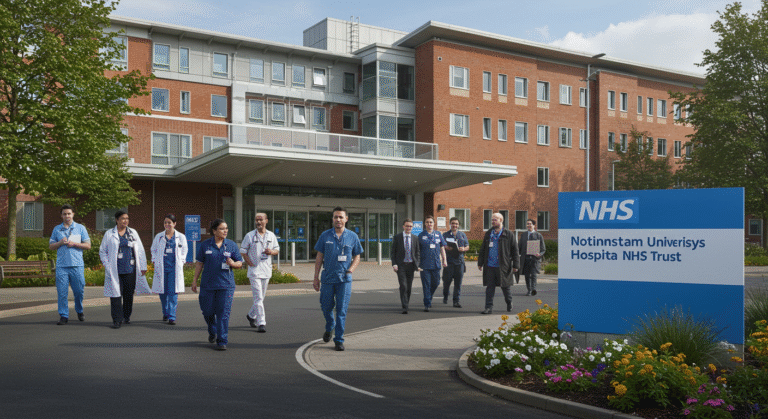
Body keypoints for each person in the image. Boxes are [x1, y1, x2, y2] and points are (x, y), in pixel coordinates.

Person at [313, 207, 363, 351]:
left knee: (341, 310)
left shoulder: (352, 236)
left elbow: (357, 256)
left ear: (346, 219)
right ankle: (330, 325)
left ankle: (339, 340)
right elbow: (319, 257)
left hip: (344, 279)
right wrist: (316, 277)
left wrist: (350, 270)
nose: (338, 220)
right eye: (335, 217)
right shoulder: (325, 236)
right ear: (332, 219)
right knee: (325, 306)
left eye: (341, 217)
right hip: (328, 278)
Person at [192, 219, 243, 350]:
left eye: (226, 228)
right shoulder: (205, 245)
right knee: (207, 311)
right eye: (222, 228)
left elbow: (240, 263)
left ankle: (222, 340)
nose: (225, 231)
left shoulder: (231, 245)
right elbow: (199, 263)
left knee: (223, 314)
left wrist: (233, 264)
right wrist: (194, 280)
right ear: (214, 231)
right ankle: (212, 329)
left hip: (226, 285)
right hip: (208, 285)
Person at [100, 210, 150, 328]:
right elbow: (102, 251)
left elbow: (140, 250)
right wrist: (107, 265)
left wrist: (143, 266)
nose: (125, 220)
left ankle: (126, 316)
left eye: (127, 218)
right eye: (123, 218)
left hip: (130, 269)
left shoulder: (133, 232)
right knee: (115, 295)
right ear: (116, 220)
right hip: (115, 270)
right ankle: (117, 320)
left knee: (128, 295)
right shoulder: (109, 233)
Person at [49, 204, 91, 325]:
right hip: (62, 266)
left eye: (69, 213)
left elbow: (88, 245)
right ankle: (64, 315)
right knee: (62, 292)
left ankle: (79, 310)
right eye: (64, 214)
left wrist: (75, 244)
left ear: (73, 214)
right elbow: (51, 246)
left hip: (77, 265)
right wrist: (60, 243)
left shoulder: (80, 228)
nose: (67, 216)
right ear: (61, 215)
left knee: (79, 291)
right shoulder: (57, 229)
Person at [240, 212, 279, 333]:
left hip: (266, 270)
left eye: (261, 219)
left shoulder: (271, 235)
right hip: (254, 271)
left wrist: (271, 252)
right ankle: (261, 322)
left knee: (261, 297)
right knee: (258, 297)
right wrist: (249, 262)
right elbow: (243, 251)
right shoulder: (250, 236)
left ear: (266, 221)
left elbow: (277, 250)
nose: (258, 222)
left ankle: (251, 315)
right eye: (257, 220)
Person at [150, 214, 188, 325]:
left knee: (173, 293)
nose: (167, 224)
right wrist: (154, 260)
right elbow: (153, 249)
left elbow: (184, 250)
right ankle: (165, 312)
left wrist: (182, 261)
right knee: (162, 293)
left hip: (174, 269)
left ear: (174, 224)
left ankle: (172, 316)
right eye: (165, 222)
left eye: (169, 223)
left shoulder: (181, 237)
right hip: (162, 268)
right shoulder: (159, 236)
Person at [477, 212, 519, 315]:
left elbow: (515, 250)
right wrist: (480, 262)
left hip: (503, 266)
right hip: (490, 266)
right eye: (492, 219)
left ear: (501, 220)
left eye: (495, 219)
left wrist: (516, 265)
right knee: (489, 288)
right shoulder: (489, 233)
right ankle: (488, 307)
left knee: (505, 287)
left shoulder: (508, 234)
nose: (493, 221)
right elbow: (483, 249)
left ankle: (509, 302)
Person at [390, 218, 421, 314]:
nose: (409, 228)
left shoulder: (415, 238)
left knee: (409, 286)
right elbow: (393, 252)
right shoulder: (397, 237)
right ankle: (405, 306)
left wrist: (417, 264)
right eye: (407, 226)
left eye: (410, 226)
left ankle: (406, 301)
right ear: (403, 226)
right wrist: (394, 264)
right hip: (401, 265)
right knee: (403, 285)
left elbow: (417, 252)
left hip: (411, 265)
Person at [417, 215, 447, 312]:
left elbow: (442, 248)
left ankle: (428, 296)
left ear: (434, 223)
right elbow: (417, 251)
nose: (429, 224)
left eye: (431, 222)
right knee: (426, 285)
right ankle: (427, 303)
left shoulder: (438, 234)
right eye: (427, 222)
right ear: (425, 224)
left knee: (436, 282)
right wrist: (417, 263)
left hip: (436, 264)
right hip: (424, 265)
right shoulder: (421, 235)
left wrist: (444, 260)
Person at [442, 217, 469, 308]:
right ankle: (445, 295)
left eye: (456, 224)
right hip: (449, 262)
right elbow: (442, 246)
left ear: (458, 225)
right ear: (450, 224)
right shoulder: (445, 235)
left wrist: (463, 249)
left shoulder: (462, 235)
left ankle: (456, 301)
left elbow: (467, 246)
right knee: (446, 282)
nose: (455, 225)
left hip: (459, 262)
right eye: (453, 223)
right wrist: (447, 247)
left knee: (458, 283)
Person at [518, 219, 546, 296]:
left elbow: (543, 249)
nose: (529, 225)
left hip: (534, 259)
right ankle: (529, 290)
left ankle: (533, 289)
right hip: (525, 259)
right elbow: (519, 247)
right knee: (527, 276)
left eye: (530, 224)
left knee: (533, 275)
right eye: (527, 224)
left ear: (534, 225)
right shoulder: (523, 235)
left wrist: (539, 254)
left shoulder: (538, 235)